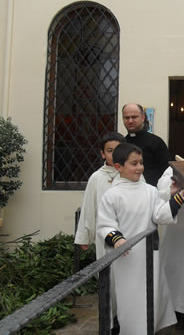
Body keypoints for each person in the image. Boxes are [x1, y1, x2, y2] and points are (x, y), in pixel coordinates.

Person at [96, 143, 184, 333]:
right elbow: (105, 224)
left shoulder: (150, 191)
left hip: (149, 256)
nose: (139, 167)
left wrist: (178, 199)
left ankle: (149, 329)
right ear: (118, 167)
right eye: (134, 163)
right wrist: (117, 239)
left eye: (141, 163)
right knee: (131, 300)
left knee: (151, 297)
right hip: (126, 257)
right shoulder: (112, 195)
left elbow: (159, 215)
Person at [74, 131, 125, 333]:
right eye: (110, 151)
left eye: (118, 150)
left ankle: (125, 322)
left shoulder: (132, 174)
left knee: (127, 283)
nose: (114, 155)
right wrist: (84, 236)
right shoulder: (97, 178)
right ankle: (109, 324)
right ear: (103, 154)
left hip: (128, 238)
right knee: (109, 282)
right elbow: (88, 208)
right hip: (106, 240)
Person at [157, 134, 184, 329]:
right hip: (178, 232)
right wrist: (174, 191)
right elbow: (160, 193)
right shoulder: (172, 170)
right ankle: (175, 311)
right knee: (177, 271)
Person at [122, 102, 171, 186]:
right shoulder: (122, 143)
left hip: (153, 193)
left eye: (134, 117)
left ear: (143, 117)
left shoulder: (156, 142)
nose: (130, 121)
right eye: (127, 118)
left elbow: (167, 171)